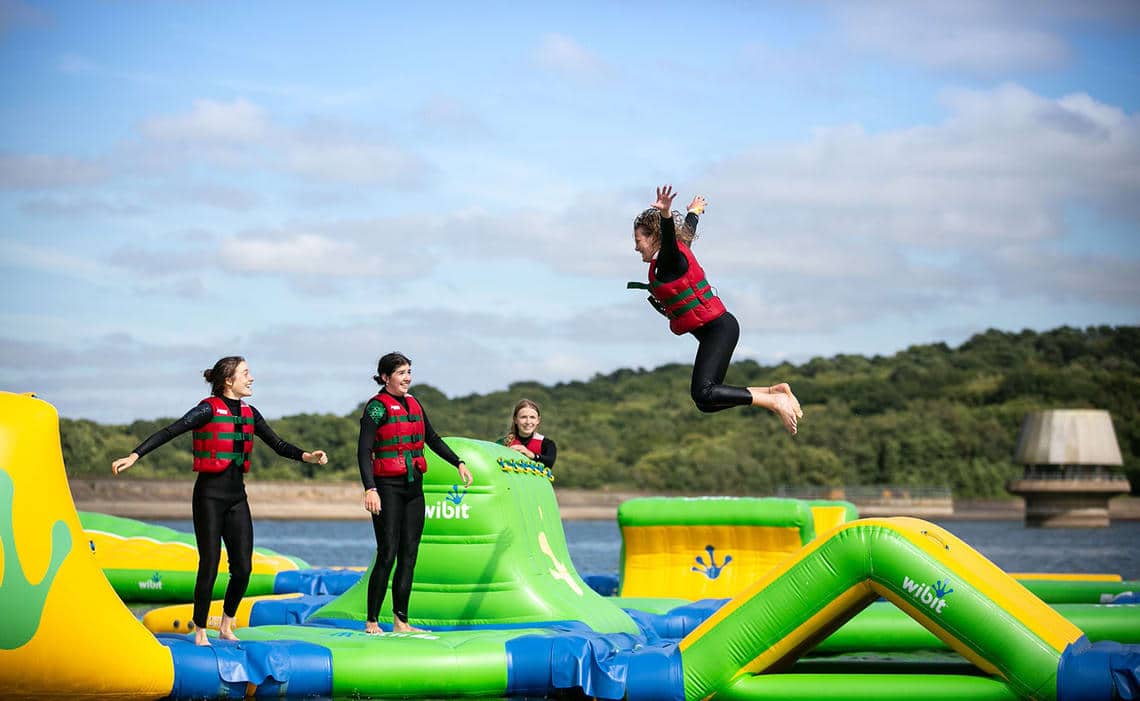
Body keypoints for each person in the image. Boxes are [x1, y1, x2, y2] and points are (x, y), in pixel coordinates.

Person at [110, 356, 329, 646]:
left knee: (243, 568)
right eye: (246, 373)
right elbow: (171, 430)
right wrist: (134, 454)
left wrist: (306, 456)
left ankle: (226, 624)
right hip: (209, 497)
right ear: (228, 381)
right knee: (210, 564)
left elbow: (277, 445)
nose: (251, 378)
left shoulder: (251, 413)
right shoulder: (207, 410)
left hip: (237, 498)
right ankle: (200, 629)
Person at [631, 184, 803, 434]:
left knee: (705, 393)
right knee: (706, 401)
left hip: (720, 329)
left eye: (638, 241)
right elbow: (688, 230)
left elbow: (669, 239)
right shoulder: (679, 252)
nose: (636, 247)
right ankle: (771, 393)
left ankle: (775, 401)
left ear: (654, 237)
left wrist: (666, 214)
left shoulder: (669, 260)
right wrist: (695, 211)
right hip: (718, 330)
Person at [358, 351, 473, 634]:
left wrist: (457, 461)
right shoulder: (376, 408)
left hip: (413, 488)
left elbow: (431, 438)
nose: (407, 377)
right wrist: (370, 488)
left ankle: (401, 621)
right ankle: (372, 620)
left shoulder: (414, 404)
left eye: (409, 371)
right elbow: (363, 450)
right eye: (401, 373)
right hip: (387, 488)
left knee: (409, 554)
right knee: (388, 553)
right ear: (386, 377)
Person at [499, 398, 557, 469]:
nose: (528, 422)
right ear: (515, 420)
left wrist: (531, 455)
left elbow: (550, 462)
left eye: (532, 417)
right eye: (523, 417)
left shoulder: (547, 444)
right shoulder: (502, 442)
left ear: (538, 420)